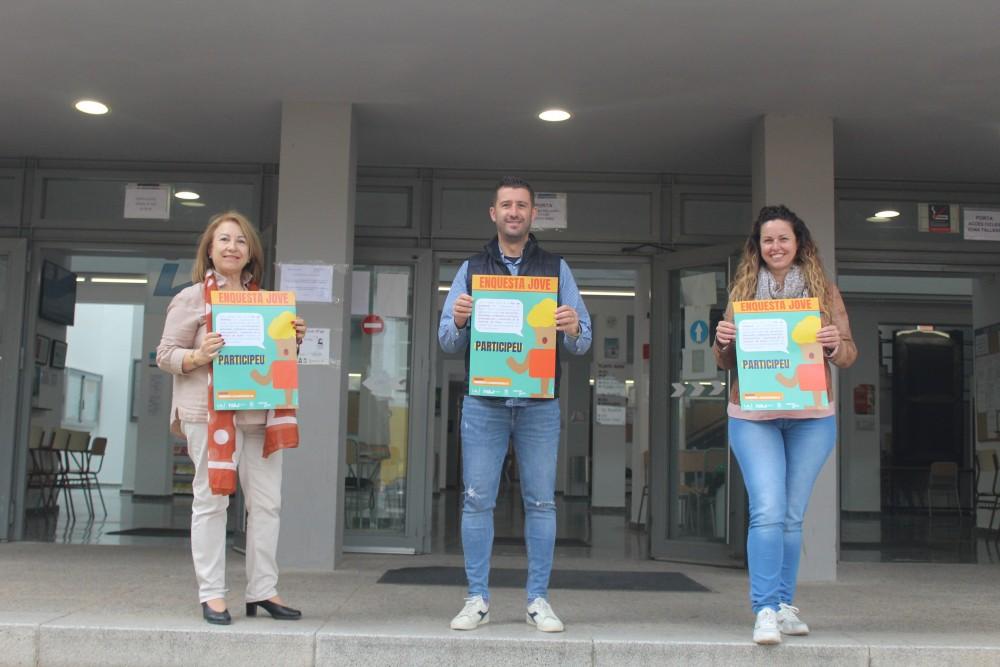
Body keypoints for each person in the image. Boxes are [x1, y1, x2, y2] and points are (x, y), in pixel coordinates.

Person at [439, 176, 592, 633]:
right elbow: (446, 341)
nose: (513, 212)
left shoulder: (556, 268)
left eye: (521, 205)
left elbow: (582, 341)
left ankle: (537, 600)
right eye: (506, 205)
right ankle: (476, 599)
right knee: (475, 501)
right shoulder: (471, 269)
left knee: (542, 503)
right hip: (484, 402)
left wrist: (572, 327)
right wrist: (459, 321)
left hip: (538, 403)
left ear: (532, 214)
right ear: (494, 213)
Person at [713, 204, 857, 645]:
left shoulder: (824, 292)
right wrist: (722, 342)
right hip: (754, 416)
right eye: (767, 240)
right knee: (768, 510)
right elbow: (726, 361)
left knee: (792, 517)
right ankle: (763, 610)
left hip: (811, 417)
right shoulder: (742, 293)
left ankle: (782, 605)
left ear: (799, 244)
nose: (775, 247)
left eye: (783, 239)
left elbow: (849, 354)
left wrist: (834, 344)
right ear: (757, 247)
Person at [157, 211, 306, 625]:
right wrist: (198, 354)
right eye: (223, 239)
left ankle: (263, 589)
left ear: (250, 252)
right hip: (209, 417)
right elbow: (165, 354)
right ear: (209, 249)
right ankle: (211, 594)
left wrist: (292, 340)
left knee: (268, 505)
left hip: (259, 415)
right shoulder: (190, 298)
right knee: (211, 502)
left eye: (241, 241)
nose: (232, 247)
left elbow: (276, 362)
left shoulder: (268, 303)